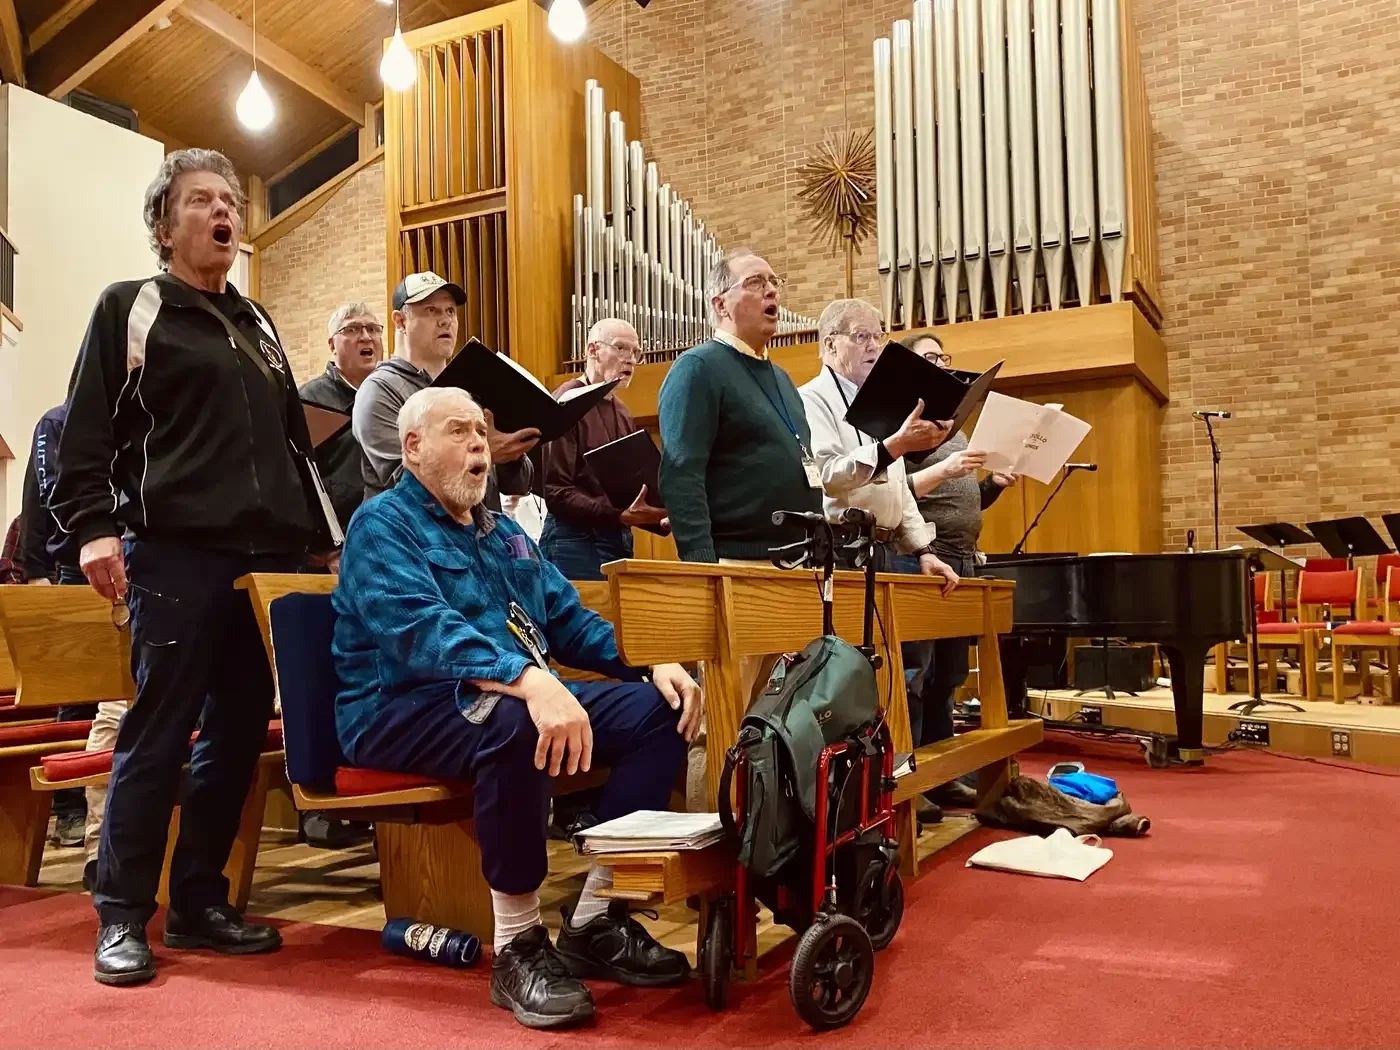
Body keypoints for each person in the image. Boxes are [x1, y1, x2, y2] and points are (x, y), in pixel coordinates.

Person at [50, 148, 336, 987]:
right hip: (176, 549)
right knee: (159, 732)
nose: (224, 213)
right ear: (165, 225)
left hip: (267, 558)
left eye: (230, 203)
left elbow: (294, 443)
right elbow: (86, 432)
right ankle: (121, 916)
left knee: (242, 732)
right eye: (203, 200)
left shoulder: (259, 324)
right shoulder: (131, 307)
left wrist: (325, 537)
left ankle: (201, 901)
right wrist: (94, 530)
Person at [333, 386, 700, 1029]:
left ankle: (596, 917)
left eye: (481, 430)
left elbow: (566, 618)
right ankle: (519, 944)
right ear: (413, 447)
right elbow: (421, 629)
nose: (479, 443)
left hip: (501, 692)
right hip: (398, 707)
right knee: (514, 720)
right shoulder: (380, 525)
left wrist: (648, 659)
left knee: (657, 710)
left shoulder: (501, 532)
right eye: (459, 431)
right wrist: (528, 680)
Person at [799, 299, 961, 824]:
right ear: (829, 345)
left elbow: (897, 492)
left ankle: (903, 783)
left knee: (911, 673)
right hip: (848, 553)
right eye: (860, 336)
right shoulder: (812, 400)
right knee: (856, 682)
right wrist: (890, 447)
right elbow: (827, 475)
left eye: (879, 335)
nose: (874, 345)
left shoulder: (883, 401)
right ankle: (854, 795)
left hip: (895, 551)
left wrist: (924, 549)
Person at [900, 331, 1017, 794]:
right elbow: (894, 493)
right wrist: (944, 469)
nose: (942, 364)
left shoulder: (955, 422)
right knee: (918, 673)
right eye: (930, 358)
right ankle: (914, 781)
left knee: (948, 674)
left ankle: (942, 773)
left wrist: (993, 487)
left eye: (943, 356)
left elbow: (964, 499)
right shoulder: (902, 425)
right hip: (925, 558)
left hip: (964, 560)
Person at [352, 271, 537, 513]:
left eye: (450, 311)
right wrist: (486, 451)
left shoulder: (468, 388)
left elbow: (520, 484)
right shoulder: (379, 391)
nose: (445, 320)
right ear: (400, 321)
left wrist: (512, 454)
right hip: (414, 539)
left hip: (477, 535)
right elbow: (406, 481)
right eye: (431, 311)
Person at [17, 400, 93, 847]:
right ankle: (67, 807)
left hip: (137, 565)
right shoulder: (59, 421)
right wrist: (34, 569)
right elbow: (39, 494)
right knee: (78, 693)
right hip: (71, 567)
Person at [540, 317, 666, 581]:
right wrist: (620, 514)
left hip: (616, 540)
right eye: (621, 348)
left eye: (635, 352)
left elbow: (627, 490)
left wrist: (659, 516)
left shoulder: (622, 412)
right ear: (592, 350)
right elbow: (556, 491)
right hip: (574, 542)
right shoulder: (567, 401)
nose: (630, 359)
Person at [300, 301, 383, 531]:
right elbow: (298, 480)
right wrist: (320, 547)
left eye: (373, 329)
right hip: (339, 543)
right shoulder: (308, 399)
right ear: (332, 345)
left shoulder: (392, 397)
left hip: (392, 533)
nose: (366, 337)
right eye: (353, 329)